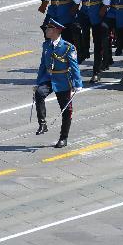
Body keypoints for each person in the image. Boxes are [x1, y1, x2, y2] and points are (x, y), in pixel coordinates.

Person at [34, 19, 83, 148]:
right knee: (39, 93)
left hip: (63, 81)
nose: (46, 31)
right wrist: (38, 82)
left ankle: (63, 137)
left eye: (49, 29)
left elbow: (74, 66)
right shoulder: (46, 45)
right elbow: (42, 65)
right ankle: (43, 124)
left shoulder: (68, 47)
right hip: (49, 78)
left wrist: (77, 84)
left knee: (66, 110)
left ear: (56, 31)